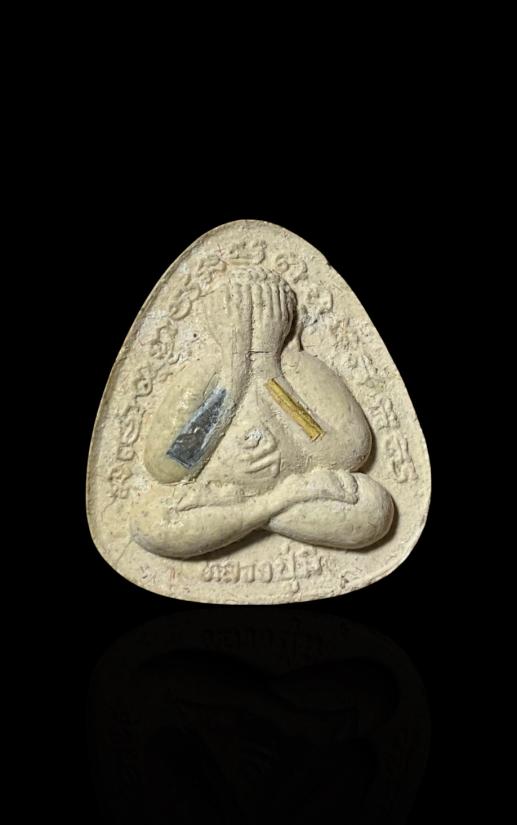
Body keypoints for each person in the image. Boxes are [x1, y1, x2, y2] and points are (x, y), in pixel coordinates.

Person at [131, 268, 393, 558]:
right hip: (231, 496)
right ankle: (272, 506)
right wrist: (234, 372)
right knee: (148, 523)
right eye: (239, 311)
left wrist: (269, 371)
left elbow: (349, 455)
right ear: (215, 318)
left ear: (285, 321)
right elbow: (165, 468)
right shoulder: (204, 372)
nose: (250, 323)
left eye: (263, 310)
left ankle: (240, 521)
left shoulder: (299, 367)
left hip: (257, 502)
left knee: (373, 508)